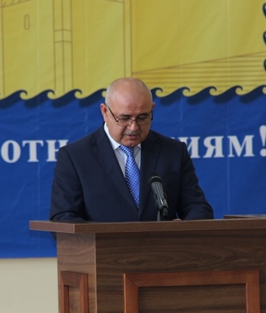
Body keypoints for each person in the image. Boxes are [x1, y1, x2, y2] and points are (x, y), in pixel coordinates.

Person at [49, 77, 213, 222]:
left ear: (152, 109)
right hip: (104, 248)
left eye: (142, 117)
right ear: (105, 112)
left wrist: (182, 232)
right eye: (125, 118)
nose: (133, 127)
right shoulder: (75, 157)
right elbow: (63, 218)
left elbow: (197, 208)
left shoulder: (174, 152)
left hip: (162, 248)